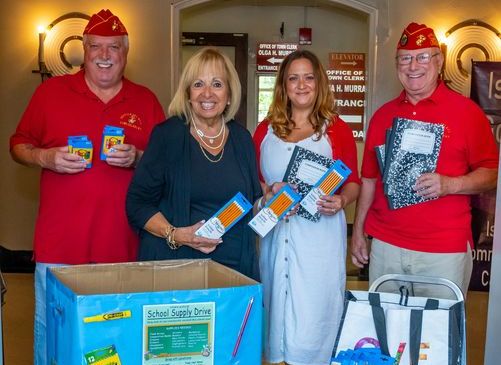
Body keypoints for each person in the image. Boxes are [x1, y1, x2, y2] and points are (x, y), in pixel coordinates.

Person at [9, 9, 165, 365]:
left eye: (114, 48)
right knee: (54, 335)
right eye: (97, 46)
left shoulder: (146, 101)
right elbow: (17, 144)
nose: (105, 55)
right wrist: (46, 158)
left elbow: (167, 166)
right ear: (84, 49)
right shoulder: (51, 93)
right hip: (59, 247)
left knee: (115, 340)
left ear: (126, 53)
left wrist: (139, 157)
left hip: (123, 248)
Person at [351, 22, 499, 298]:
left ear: (439, 61)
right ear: (397, 65)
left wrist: (450, 184)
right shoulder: (383, 115)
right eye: (405, 58)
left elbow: (491, 172)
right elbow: (369, 178)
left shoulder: (467, 113)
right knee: (387, 331)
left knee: (438, 336)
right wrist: (359, 231)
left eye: (422, 57)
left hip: (443, 249)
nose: (413, 66)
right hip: (387, 246)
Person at [253, 50, 361, 365]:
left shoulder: (336, 129)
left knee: (314, 313)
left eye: (309, 77)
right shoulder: (265, 130)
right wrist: (269, 193)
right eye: (293, 78)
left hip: (319, 240)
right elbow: (255, 181)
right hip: (276, 237)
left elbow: (353, 182)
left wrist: (341, 200)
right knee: (276, 310)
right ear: (283, 86)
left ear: (319, 83)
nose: (302, 85)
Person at [126, 47, 262, 279]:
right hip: (177, 271)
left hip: (235, 271)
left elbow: (252, 202)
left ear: (229, 94)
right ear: (188, 93)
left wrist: (273, 199)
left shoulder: (242, 138)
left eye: (217, 84)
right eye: (198, 84)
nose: (207, 93)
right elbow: (137, 205)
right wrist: (177, 234)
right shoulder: (167, 136)